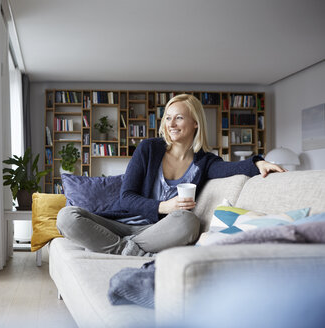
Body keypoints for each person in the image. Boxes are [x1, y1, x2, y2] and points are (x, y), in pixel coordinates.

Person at [56, 94, 285, 256]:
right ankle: (132, 252)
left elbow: (231, 168)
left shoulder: (204, 161)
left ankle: (116, 248)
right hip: (119, 224)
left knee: (189, 221)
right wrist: (164, 206)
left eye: (179, 118)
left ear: (195, 123)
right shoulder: (149, 148)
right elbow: (126, 197)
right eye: (167, 117)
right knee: (66, 217)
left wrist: (258, 162)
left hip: (158, 232)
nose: (171, 124)